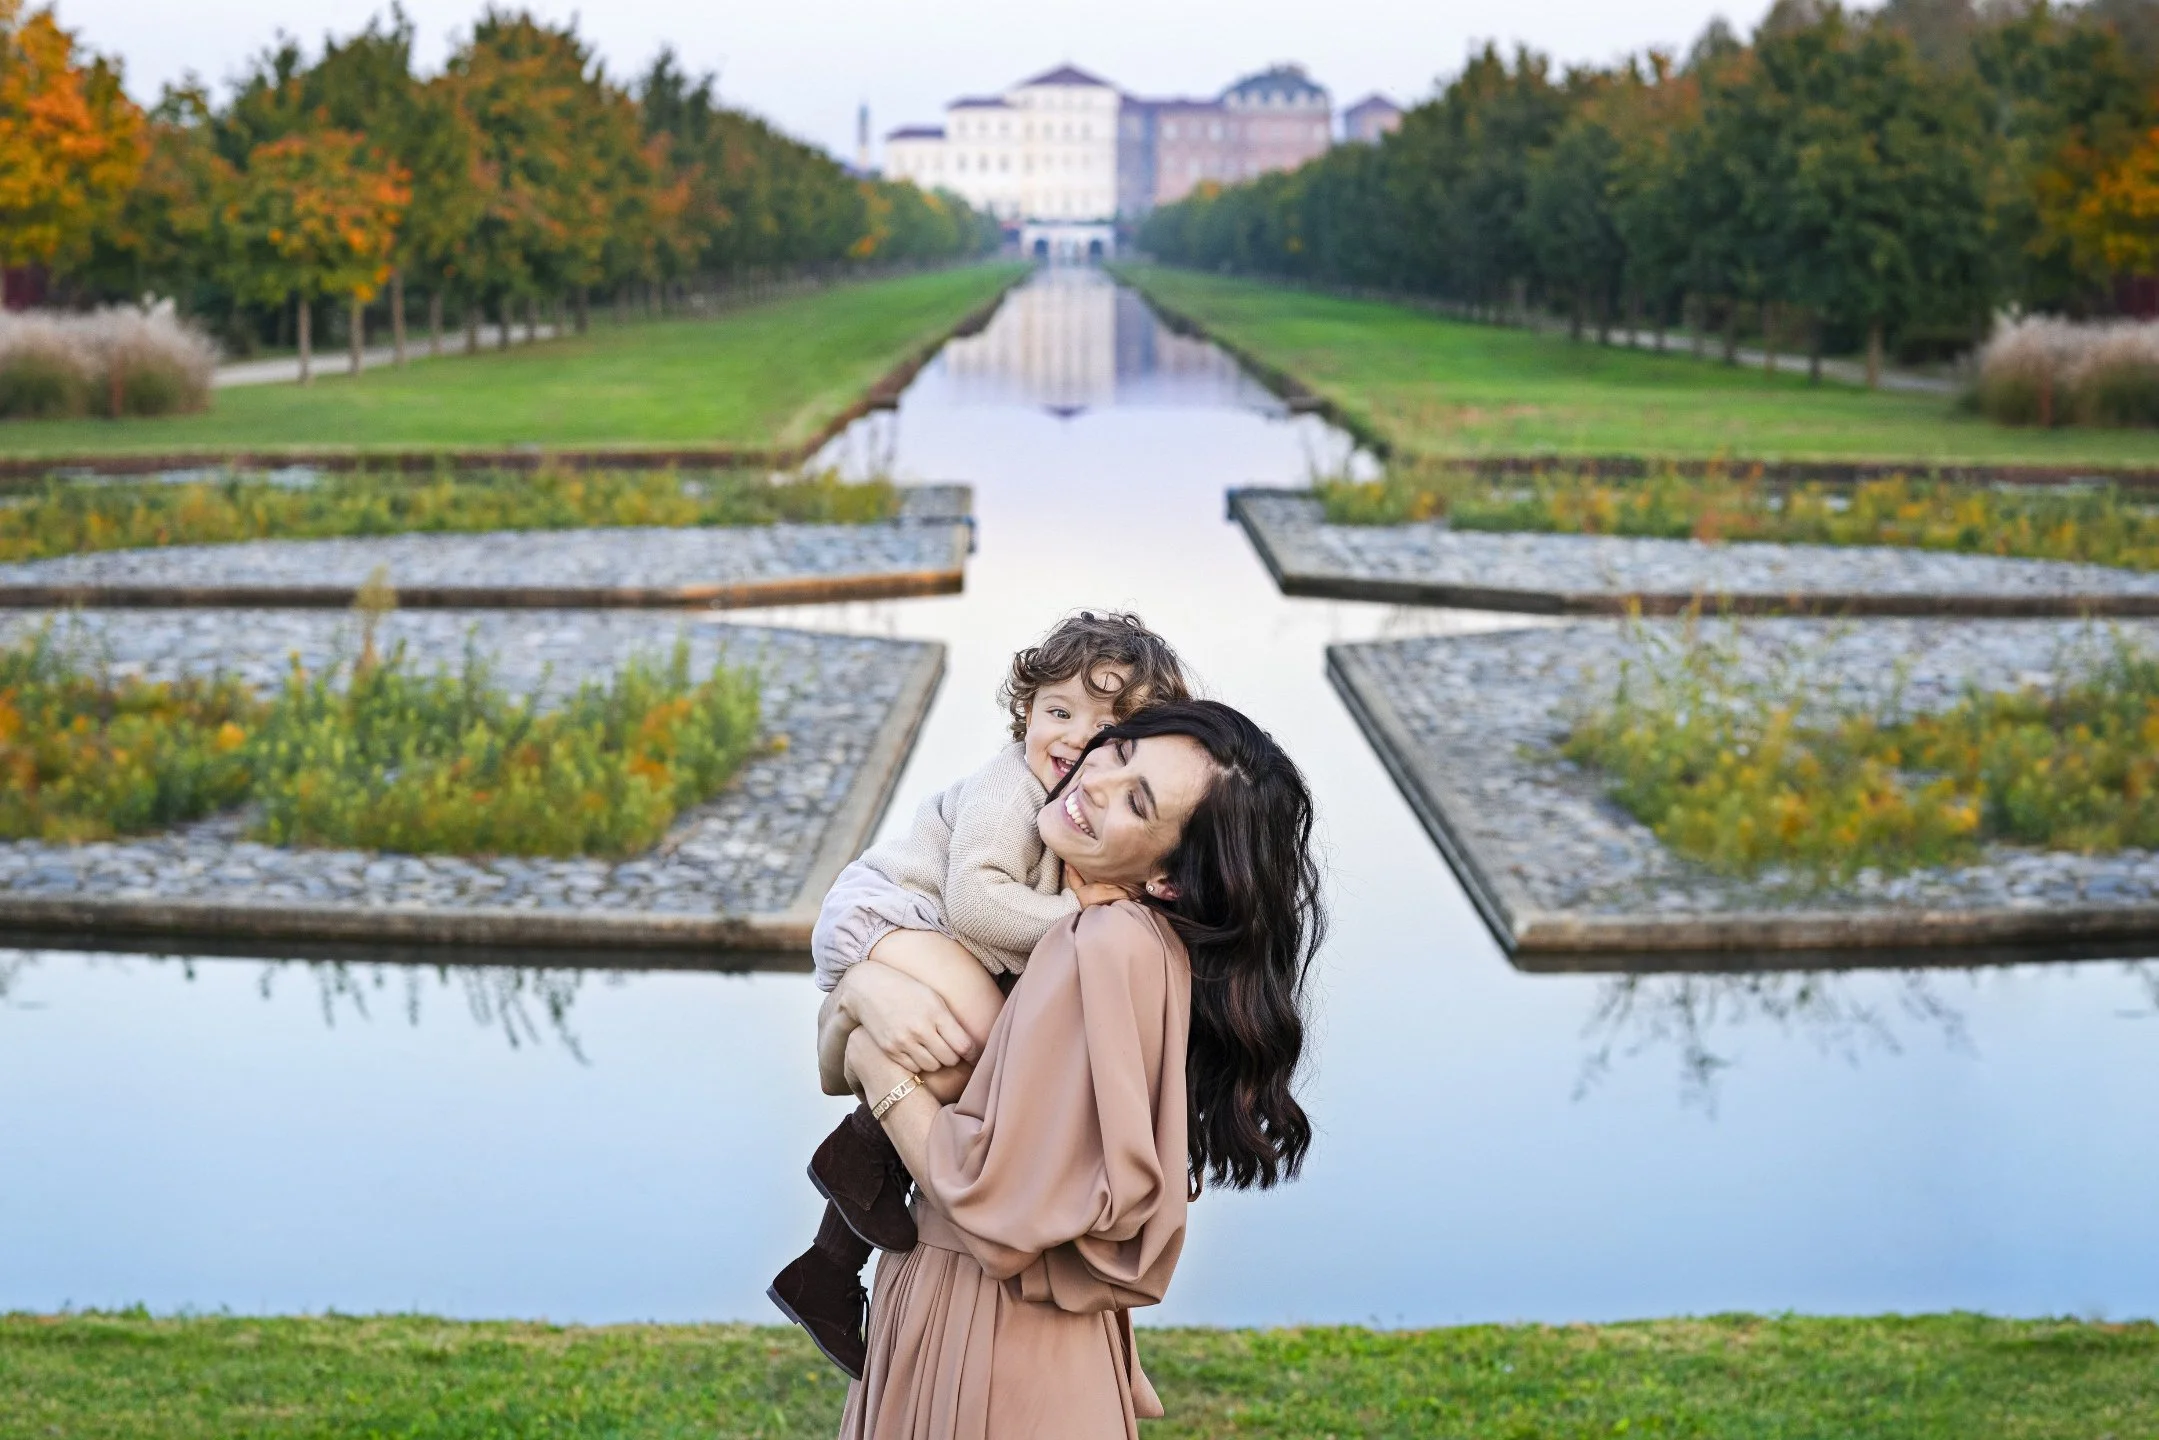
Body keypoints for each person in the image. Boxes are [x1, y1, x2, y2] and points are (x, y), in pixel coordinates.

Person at [825, 700, 1325, 1439]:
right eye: (1119, 754)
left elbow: (985, 1196)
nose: (1096, 783)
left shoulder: (1095, 945)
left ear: (1168, 877)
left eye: (1137, 801)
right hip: (1004, 1320)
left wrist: (869, 1046)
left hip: (988, 1327)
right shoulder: (1121, 938)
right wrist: (862, 997)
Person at [769, 612, 1191, 1375]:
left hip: (927, 930)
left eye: (1105, 728)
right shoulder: (1010, 785)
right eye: (1056, 711)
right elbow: (974, 904)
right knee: (984, 1045)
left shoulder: (1070, 796)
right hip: (892, 912)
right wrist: (1076, 920)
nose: (1070, 736)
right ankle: (846, 1176)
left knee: (956, 1069)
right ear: (1025, 707)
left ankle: (825, 1270)